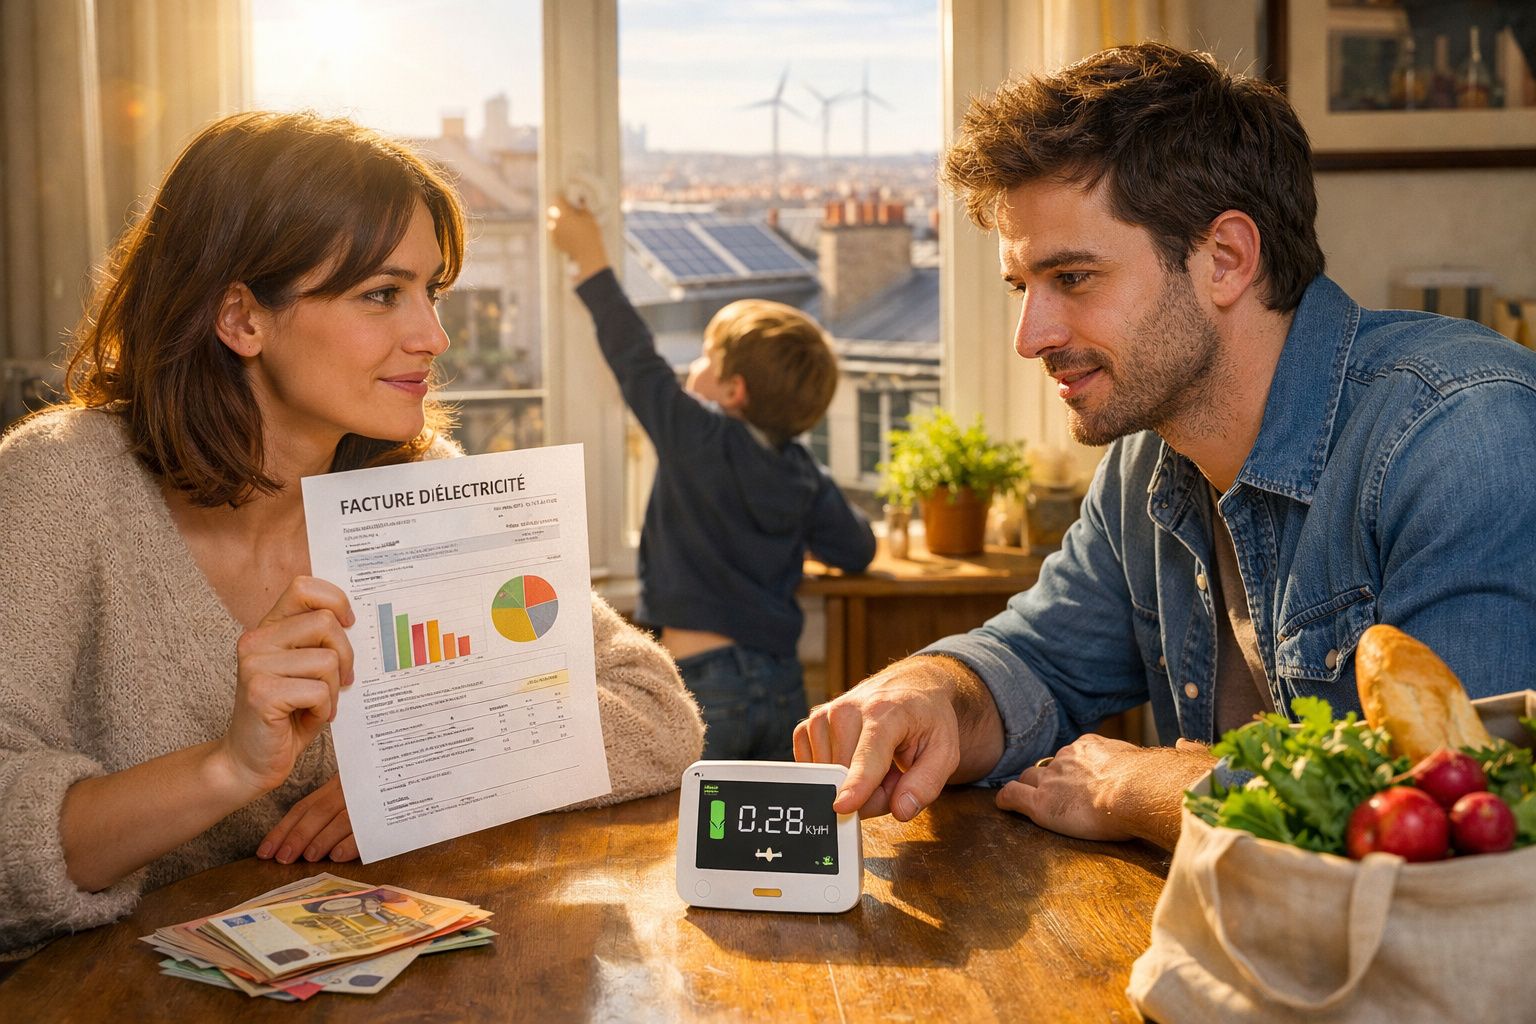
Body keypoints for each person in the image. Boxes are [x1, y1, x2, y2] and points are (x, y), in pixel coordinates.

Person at [795, 42, 1536, 849]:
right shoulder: (1149, 460)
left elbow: (1471, 820)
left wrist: (1155, 786)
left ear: (1225, 260)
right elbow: (1040, 658)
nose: (1029, 336)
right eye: (1022, 287)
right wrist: (930, 691)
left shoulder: (1463, 434)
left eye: (1072, 279)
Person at [0, 111, 703, 957]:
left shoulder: (427, 481)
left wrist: (426, 782)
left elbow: (657, 713)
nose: (433, 337)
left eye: (431, 291)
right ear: (242, 319)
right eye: (381, 294)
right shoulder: (61, 485)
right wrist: (226, 767)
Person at [548, 200, 876, 761]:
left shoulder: (698, 437)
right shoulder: (804, 473)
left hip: (704, 686)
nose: (691, 369)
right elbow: (857, 549)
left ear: (734, 391)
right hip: (783, 687)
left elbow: (636, 359)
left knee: (696, 835)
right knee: (772, 823)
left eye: (706, 357)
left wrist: (592, 259)